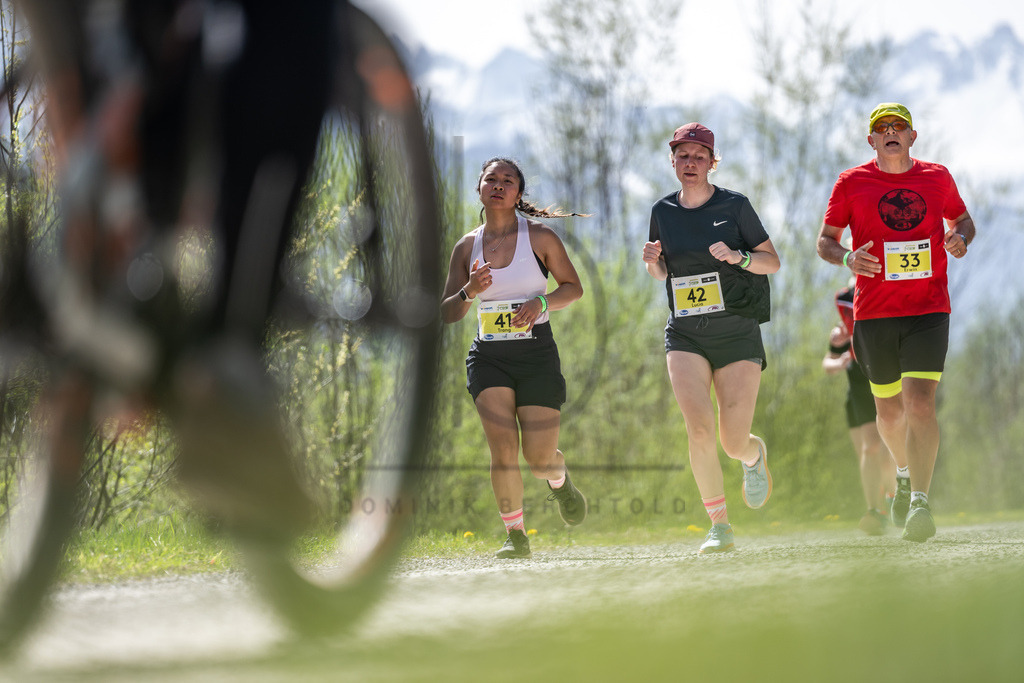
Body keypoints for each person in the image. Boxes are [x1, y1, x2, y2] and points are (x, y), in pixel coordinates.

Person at [817, 103, 975, 543]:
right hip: (875, 314)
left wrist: (960, 238)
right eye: (881, 128)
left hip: (928, 309)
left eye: (898, 126)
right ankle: (902, 474)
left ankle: (921, 502)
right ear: (871, 140)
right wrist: (848, 256)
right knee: (888, 414)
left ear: (912, 136)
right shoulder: (852, 182)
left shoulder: (937, 177)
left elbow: (963, 221)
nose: (890, 132)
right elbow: (825, 243)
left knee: (921, 404)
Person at [643, 122, 781, 554]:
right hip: (686, 332)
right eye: (682, 156)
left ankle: (753, 456)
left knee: (731, 441)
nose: (690, 163)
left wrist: (740, 257)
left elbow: (771, 262)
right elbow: (663, 273)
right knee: (699, 431)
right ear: (673, 161)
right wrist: (652, 262)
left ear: (712, 162)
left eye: (699, 157)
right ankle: (719, 526)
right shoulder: (662, 211)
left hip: (738, 331)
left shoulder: (735, 206)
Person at [441, 157, 588, 559]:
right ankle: (515, 536)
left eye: (508, 180)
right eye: (492, 179)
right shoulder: (466, 247)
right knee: (502, 450)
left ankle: (559, 481)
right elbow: (448, 312)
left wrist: (541, 301)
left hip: (536, 353)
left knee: (539, 460)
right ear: (480, 188)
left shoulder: (540, 237)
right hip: (489, 356)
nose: (499, 185)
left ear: (519, 193)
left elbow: (573, 288)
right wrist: (469, 291)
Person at [822, 283, 896, 535]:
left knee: (885, 455)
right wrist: (840, 360)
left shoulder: (886, 290)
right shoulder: (844, 313)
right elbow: (827, 363)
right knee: (869, 449)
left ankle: (893, 500)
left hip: (885, 376)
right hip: (858, 388)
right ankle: (875, 511)